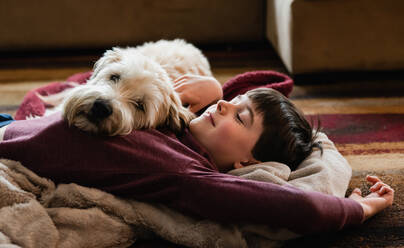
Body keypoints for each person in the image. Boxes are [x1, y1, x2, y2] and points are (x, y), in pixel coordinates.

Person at [0, 74, 394, 236]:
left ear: (247, 165)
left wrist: (360, 210)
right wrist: (211, 89)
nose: (223, 106)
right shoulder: (174, 125)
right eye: (230, 102)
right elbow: (263, 83)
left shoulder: (185, 172)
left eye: (239, 117)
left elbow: (299, 209)